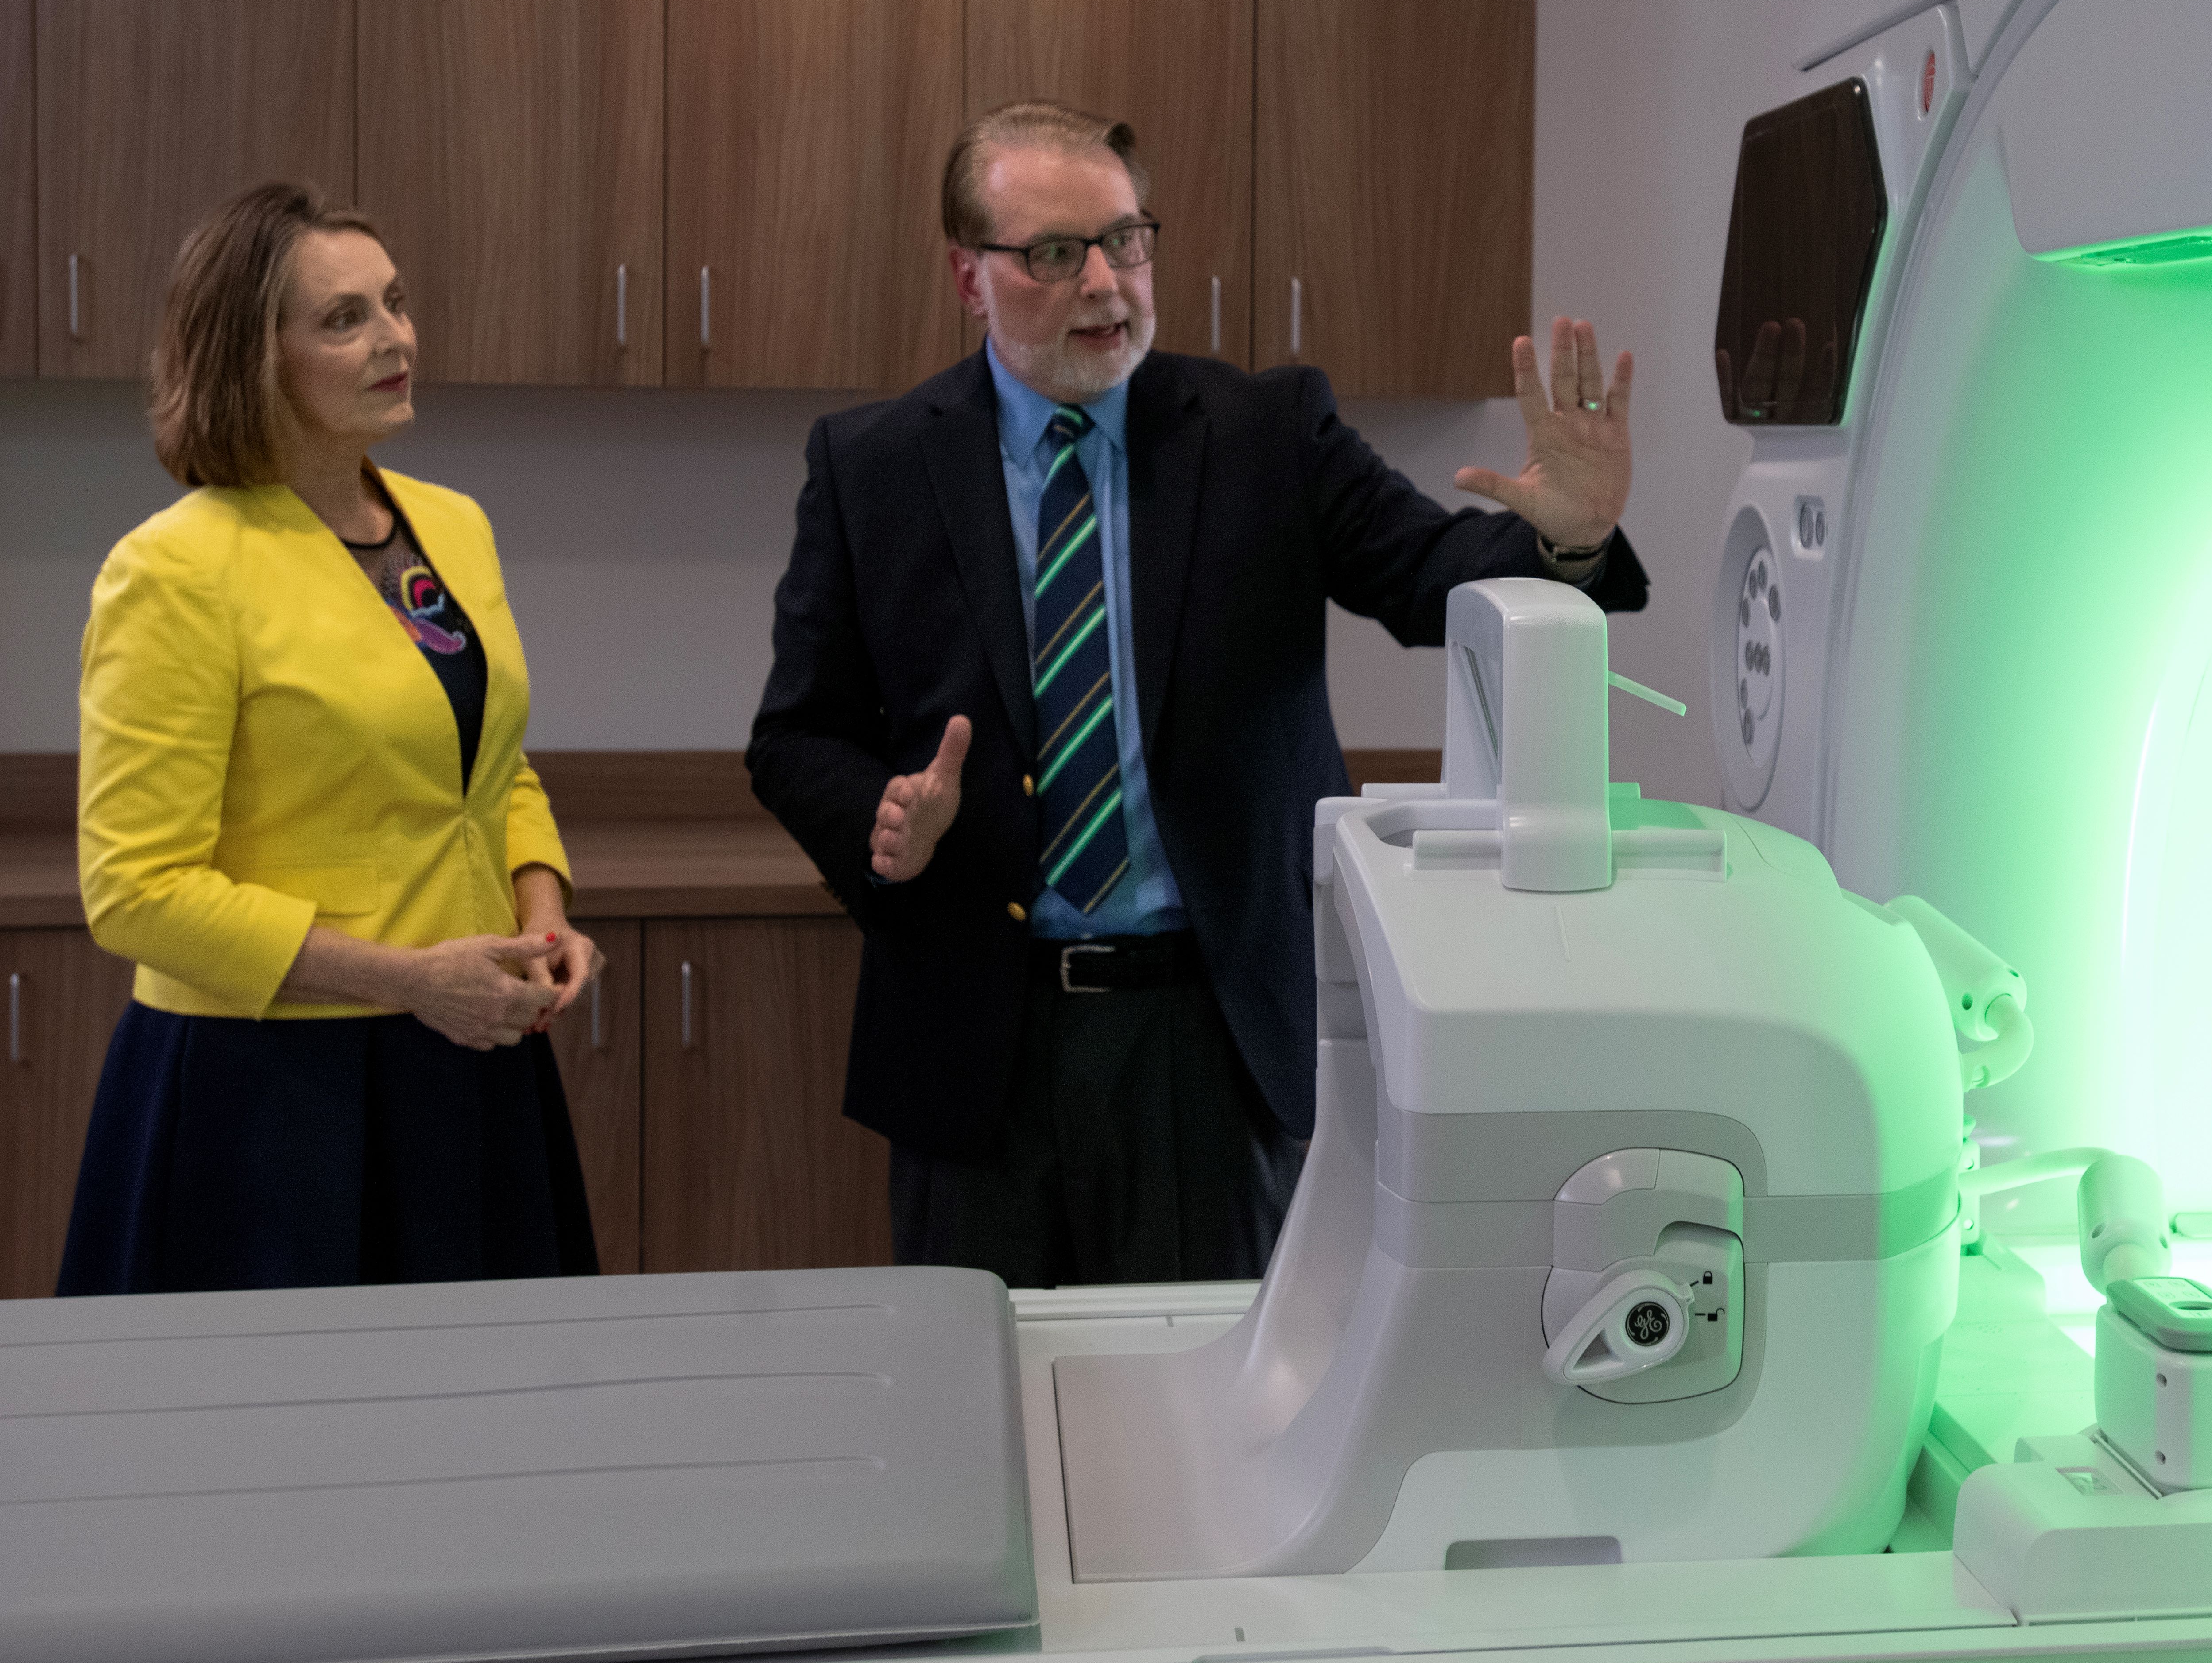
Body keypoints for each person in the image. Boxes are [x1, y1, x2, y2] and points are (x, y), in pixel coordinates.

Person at [748, 100, 1647, 1285]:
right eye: (1055, 254)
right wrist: (882, 821)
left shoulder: (1267, 433)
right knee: (981, 1412)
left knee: (1213, 1419)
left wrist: (1571, 545)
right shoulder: (871, 467)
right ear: (970, 277)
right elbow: (796, 734)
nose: (1107, 285)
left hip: (1209, 1038)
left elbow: (1432, 581)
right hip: (975, 1038)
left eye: (1127, 240)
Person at [59, 183, 604, 1293]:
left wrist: (542, 911)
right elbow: (135, 889)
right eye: (344, 318)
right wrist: (406, 976)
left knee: (480, 1432)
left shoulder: (450, 524)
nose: (396, 338)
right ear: (253, 357)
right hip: (270, 1090)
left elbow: (488, 767)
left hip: (469, 1056)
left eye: (395, 303)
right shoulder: (176, 568)